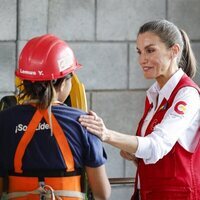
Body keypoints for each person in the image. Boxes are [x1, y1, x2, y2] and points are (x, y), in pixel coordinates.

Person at [79, 19, 200, 200]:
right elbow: (157, 153)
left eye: (150, 51)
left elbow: (156, 146)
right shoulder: (155, 95)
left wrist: (106, 134)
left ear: (174, 51)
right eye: (139, 52)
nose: (142, 59)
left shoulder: (187, 95)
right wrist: (134, 153)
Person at [0, 34, 111, 200]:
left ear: (24, 81)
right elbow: (102, 193)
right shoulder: (85, 122)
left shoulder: (4, 121)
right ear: (65, 81)